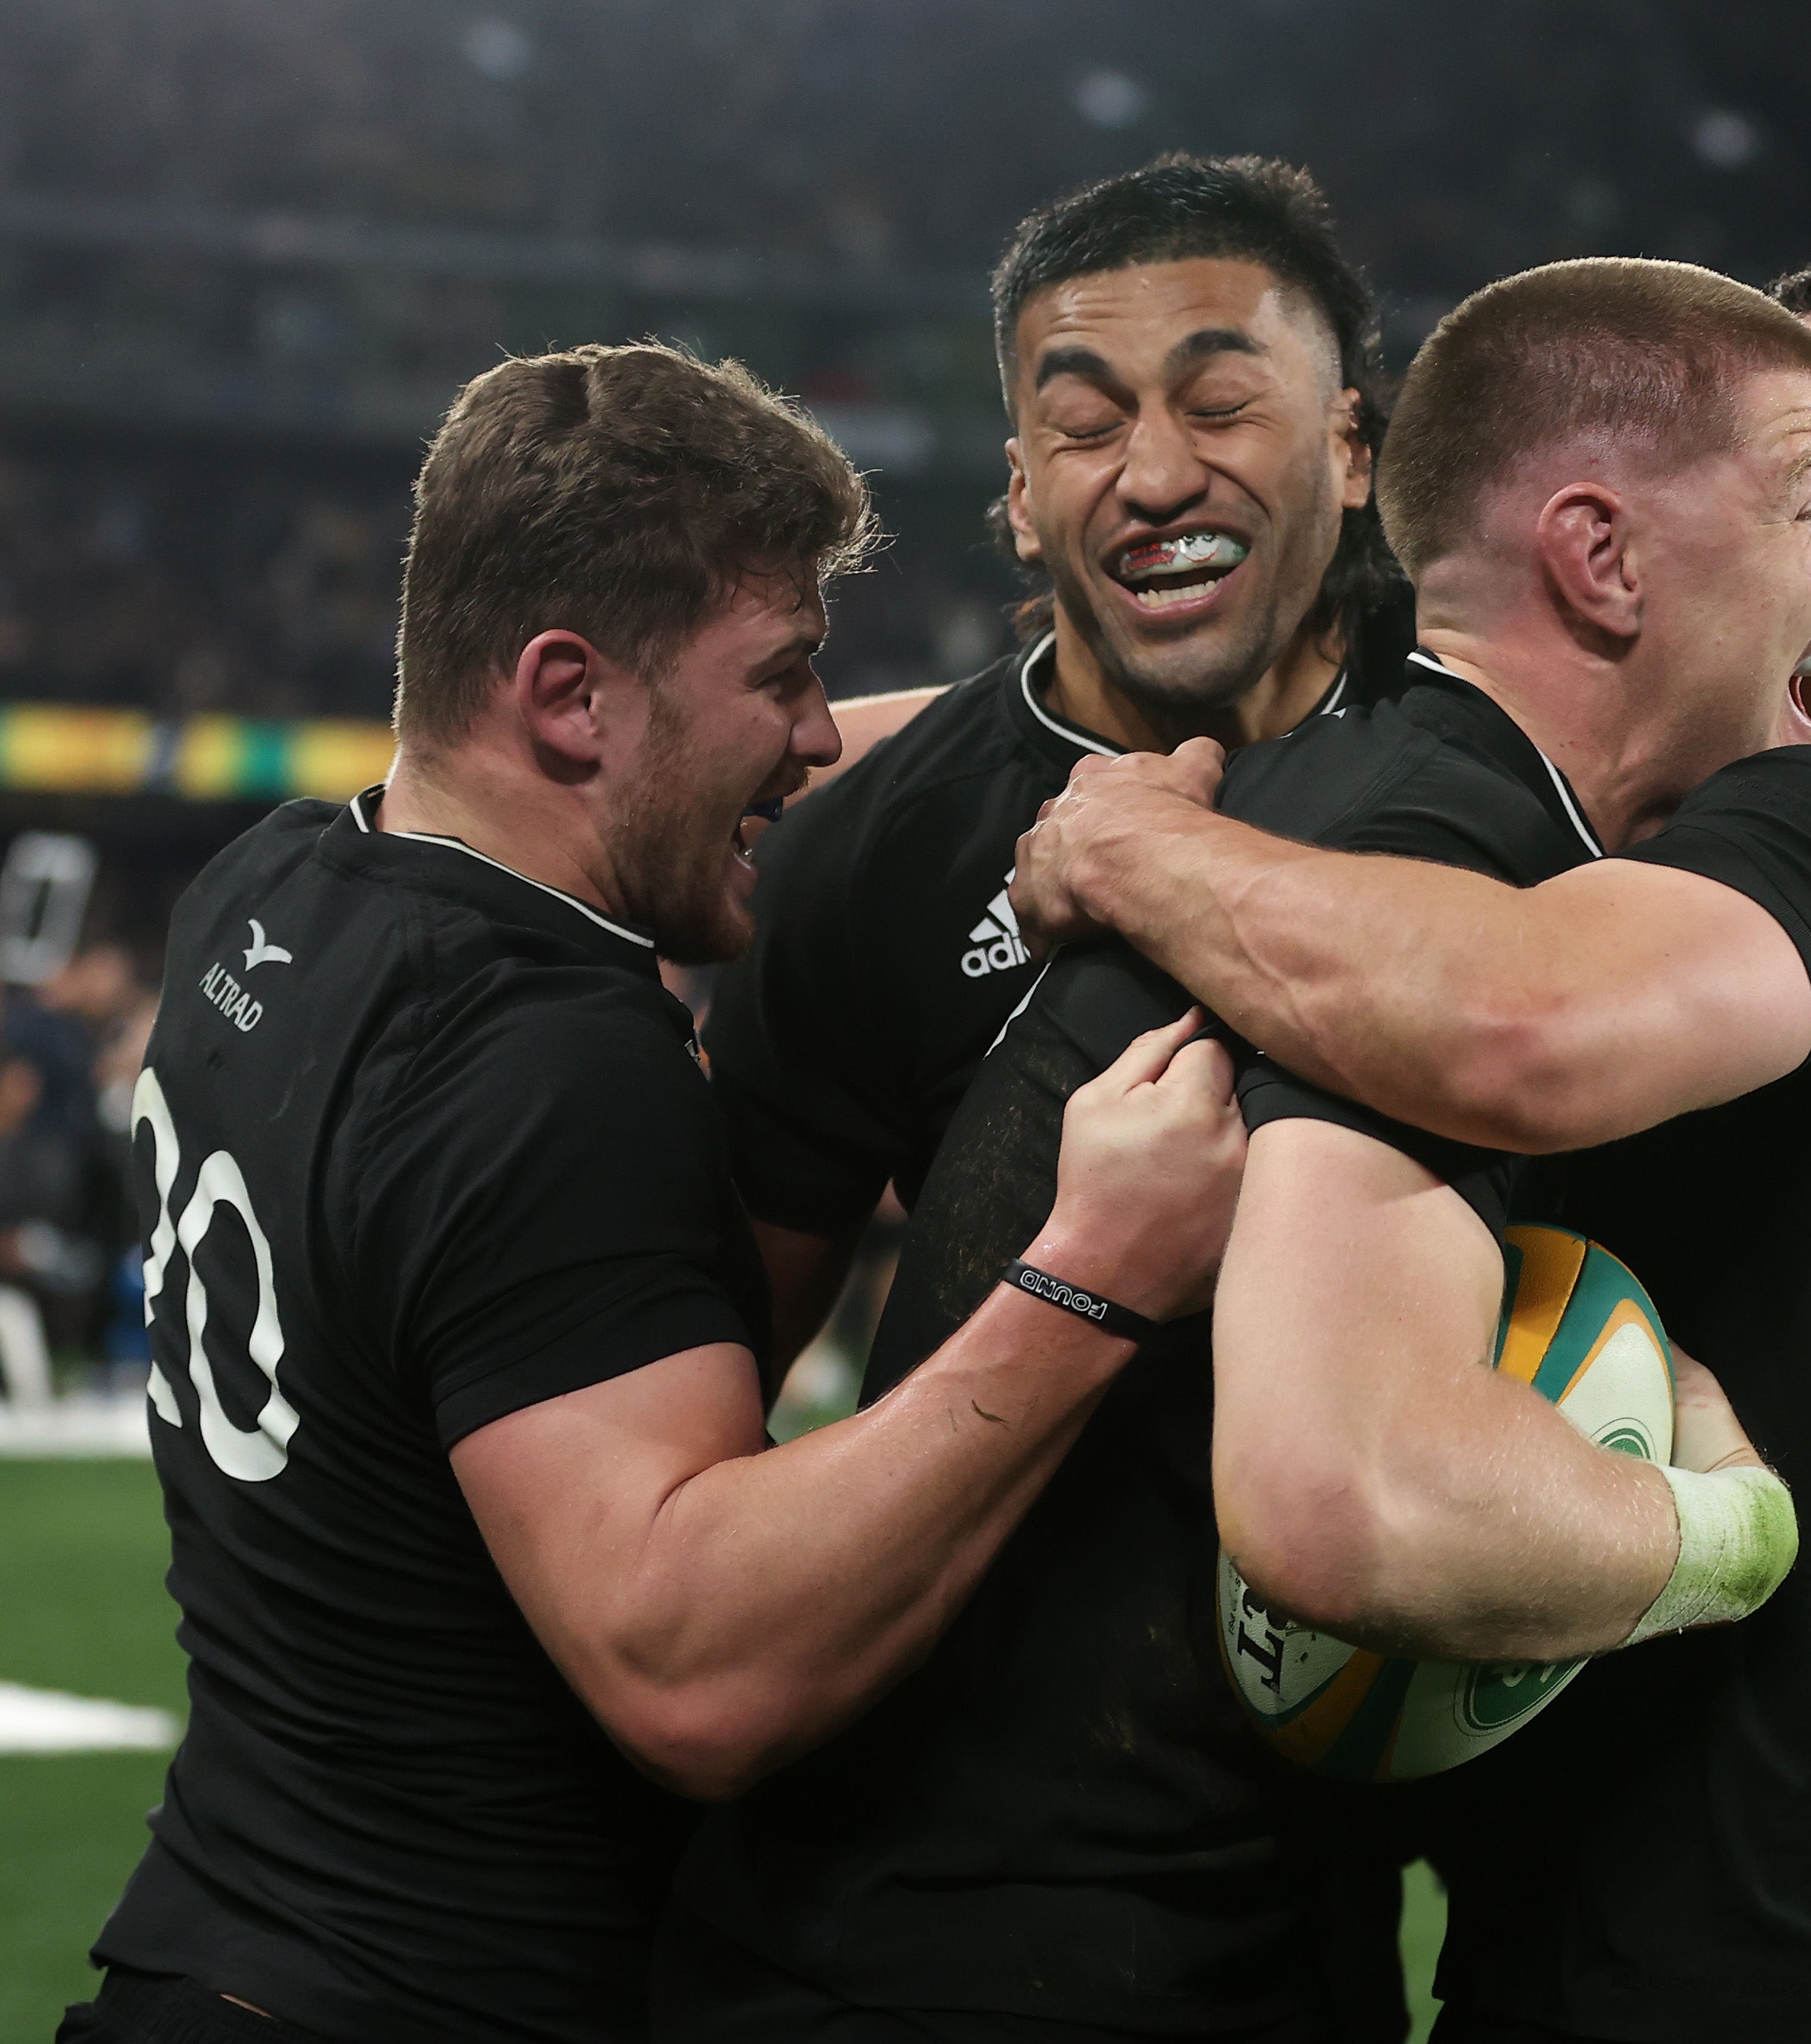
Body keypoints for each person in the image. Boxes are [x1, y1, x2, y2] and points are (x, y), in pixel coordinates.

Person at [1000, 235, 1811, 2043]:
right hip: (1744, 1941)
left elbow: (1514, 1022)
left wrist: (1132, 849)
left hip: (1748, 1969)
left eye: (1810, 464)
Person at [59, 342, 1249, 2044]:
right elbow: (691, 1670)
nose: (819, 733)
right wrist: (1090, 1274)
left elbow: (823, 763)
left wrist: (1097, 728)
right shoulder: (550, 1071)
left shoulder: (276, 886)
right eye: (781, 676)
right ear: (569, 695)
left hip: (218, 1942)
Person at [699, 154, 1410, 1375]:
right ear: (1025, 498)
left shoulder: (1511, 722)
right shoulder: (870, 865)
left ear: (1351, 448)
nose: (1156, 476)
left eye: (1222, 404)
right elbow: (717, 1383)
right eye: (1087, 428)